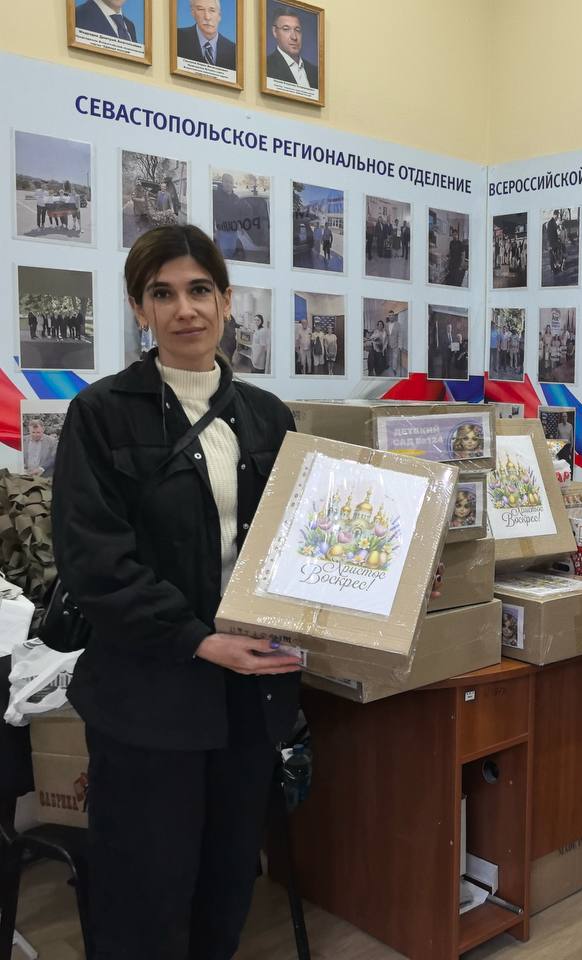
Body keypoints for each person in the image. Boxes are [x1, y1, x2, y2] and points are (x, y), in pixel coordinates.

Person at [51, 224, 302, 959]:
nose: (184, 309)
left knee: (227, 883)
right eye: (162, 294)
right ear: (140, 309)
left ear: (226, 300)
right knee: (143, 896)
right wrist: (198, 639)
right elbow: (95, 563)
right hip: (147, 700)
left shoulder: (269, 417)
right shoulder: (100, 415)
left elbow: (296, 545)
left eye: (199, 290)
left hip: (249, 698)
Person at [265, 5, 319, 89]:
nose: (294, 37)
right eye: (286, 29)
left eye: (297, 30)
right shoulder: (266, 66)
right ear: (275, 32)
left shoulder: (315, 72)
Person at [176, 0, 237, 69]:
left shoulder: (233, 50)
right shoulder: (177, 37)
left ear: (219, 15)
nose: (207, 17)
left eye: (212, 10)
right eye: (201, 9)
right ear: (193, 13)